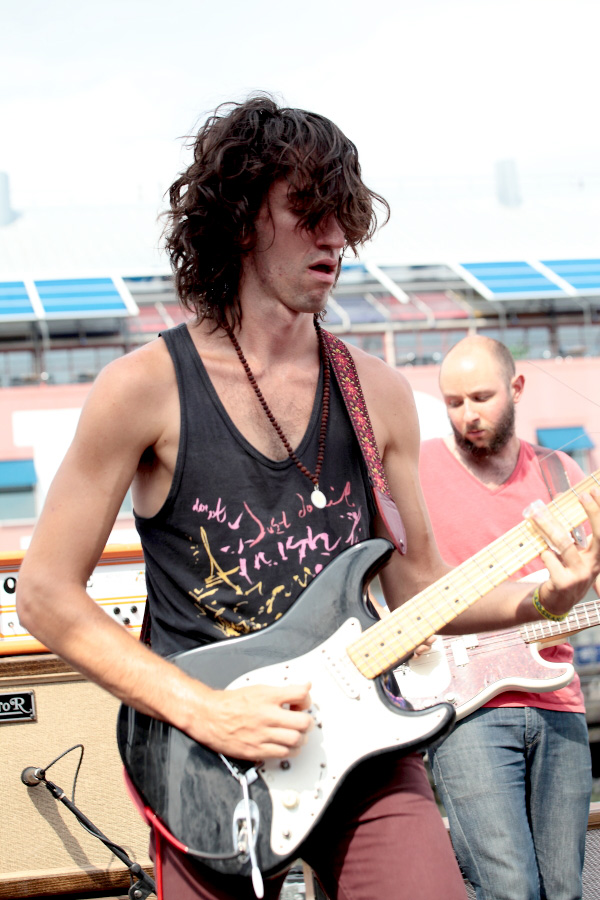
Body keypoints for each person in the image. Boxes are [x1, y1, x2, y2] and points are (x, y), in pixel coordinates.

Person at [15, 96, 600, 900]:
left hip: (365, 734)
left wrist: (541, 599)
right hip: (206, 754)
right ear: (242, 220)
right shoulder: (143, 390)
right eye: (308, 211)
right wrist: (206, 712)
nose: (335, 237)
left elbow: (416, 585)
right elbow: (45, 595)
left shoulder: (379, 394)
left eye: (345, 215)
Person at [419, 335, 594, 900]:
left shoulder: (561, 474)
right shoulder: (416, 472)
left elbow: (579, 590)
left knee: (565, 889)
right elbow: (379, 574)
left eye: (480, 397)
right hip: (463, 707)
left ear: (516, 388)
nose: (467, 415)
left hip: (558, 700)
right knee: (509, 889)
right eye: (453, 402)